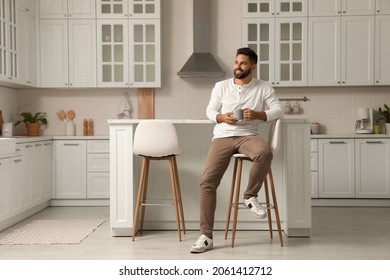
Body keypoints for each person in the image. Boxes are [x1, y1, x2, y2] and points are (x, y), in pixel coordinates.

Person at [190, 47, 284, 253]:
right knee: (207, 182)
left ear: (253, 66)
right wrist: (222, 117)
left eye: (242, 63)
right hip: (223, 136)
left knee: (264, 152)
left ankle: (250, 195)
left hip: (248, 136)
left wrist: (258, 115)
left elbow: (278, 110)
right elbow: (210, 110)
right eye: (236, 62)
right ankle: (206, 236)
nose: (237, 67)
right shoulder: (221, 86)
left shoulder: (264, 87)